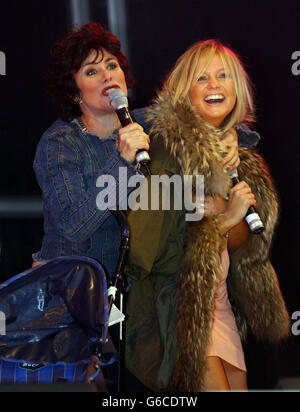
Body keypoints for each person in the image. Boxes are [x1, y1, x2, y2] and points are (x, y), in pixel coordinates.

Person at [124, 39, 290, 392]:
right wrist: (224, 220)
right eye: (201, 78)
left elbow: (238, 245)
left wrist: (231, 218)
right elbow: (149, 251)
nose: (214, 85)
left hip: (219, 305)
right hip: (177, 308)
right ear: (184, 91)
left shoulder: (238, 156)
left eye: (222, 76)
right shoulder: (164, 149)